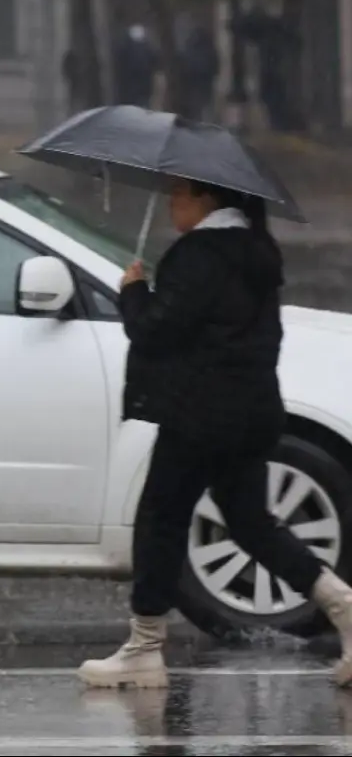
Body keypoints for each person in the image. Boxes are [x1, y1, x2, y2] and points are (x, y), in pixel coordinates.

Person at [78, 179, 352, 688]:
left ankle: (143, 648)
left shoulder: (200, 255)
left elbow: (156, 331)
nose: (170, 205)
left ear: (208, 199)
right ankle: (344, 606)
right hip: (250, 412)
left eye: (179, 196)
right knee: (249, 523)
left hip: (198, 415)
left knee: (161, 519)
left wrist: (134, 291)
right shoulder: (254, 251)